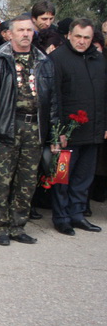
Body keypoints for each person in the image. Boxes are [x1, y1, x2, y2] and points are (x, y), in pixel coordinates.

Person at [0, 14, 57, 245]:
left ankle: (18, 226)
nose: (25, 34)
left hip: (35, 128)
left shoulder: (43, 61)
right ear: (9, 33)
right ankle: (0, 227)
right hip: (7, 127)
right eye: (21, 30)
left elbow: (52, 101)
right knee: (1, 181)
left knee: (27, 181)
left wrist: (54, 135)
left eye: (29, 30)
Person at [48, 18, 107, 235]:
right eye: (78, 37)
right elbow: (53, 98)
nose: (82, 42)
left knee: (84, 178)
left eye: (87, 38)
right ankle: (61, 217)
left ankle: (77, 214)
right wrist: (57, 131)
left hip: (93, 132)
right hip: (68, 134)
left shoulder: (99, 60)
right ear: (69, 35)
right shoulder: (56, 59)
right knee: (62, 177)